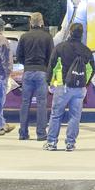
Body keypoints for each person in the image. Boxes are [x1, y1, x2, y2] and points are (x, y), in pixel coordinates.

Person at [45, 22, 94, 152]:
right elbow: (91, 69)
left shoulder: (60, 48)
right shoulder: (86, 50)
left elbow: (52, 66)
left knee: (56, 115)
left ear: (70, 32)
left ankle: (51, 142)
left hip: (63, 86)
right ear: (82, 34)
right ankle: (70, 143)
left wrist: (50, 82)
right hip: (79, 88)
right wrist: (85, 82)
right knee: (75, 116)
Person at [15, 12, 55, 142]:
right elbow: (51, 57)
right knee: (41, 103)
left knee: (25, 103)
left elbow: (19, 55)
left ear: (30, 23)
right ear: (42, 22)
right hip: (42, 72)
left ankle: (23, 133)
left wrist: (27, 64)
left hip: (27, 72)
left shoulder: (24, 37)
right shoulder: (47, 37)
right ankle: (41, 134)